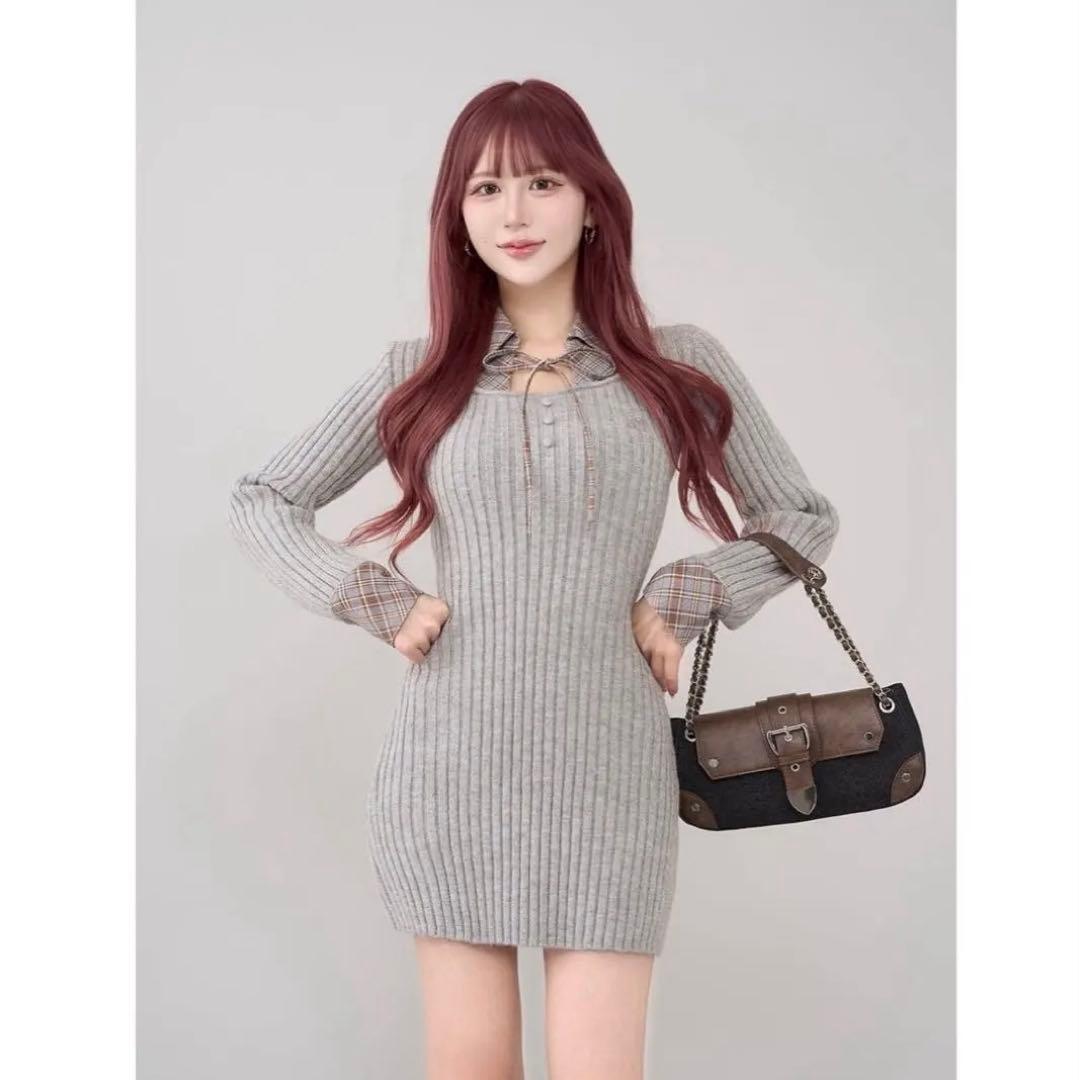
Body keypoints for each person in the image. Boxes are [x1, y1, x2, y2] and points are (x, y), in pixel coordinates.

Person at [228, 78, 839, 1080]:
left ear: (591, 201)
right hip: (448, 768)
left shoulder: (674, 366)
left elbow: (800, 514)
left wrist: (691, 589)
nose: (513, 212)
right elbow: (264, 498)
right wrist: (373, 599)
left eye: (542, 181)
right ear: (457, 216)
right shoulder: (418, 371)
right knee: (470, 1066)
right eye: (485, 188)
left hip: (607, 770)